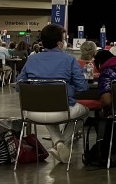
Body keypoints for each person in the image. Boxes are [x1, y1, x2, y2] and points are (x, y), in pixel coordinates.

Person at [16, 24, 88, 163]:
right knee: (85, 112)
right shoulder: (69, 60)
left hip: (32, 112)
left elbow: (19, 86)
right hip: (62, 110)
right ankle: (62, 143)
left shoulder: (32, 59)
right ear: (60, 43)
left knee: (47, 104)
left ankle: (58, 143)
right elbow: (82, 87)